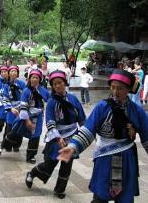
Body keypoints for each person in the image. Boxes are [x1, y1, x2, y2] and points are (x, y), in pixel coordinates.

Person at [58, 69, 148, 203]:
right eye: (113, 88)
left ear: (129, 89)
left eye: (120, 88)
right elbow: (88, 130)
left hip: (127, 159)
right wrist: (72, 146)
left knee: (125, 198)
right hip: (105, 159)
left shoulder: (137, 111)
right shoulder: (102, 107)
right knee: (100, 196)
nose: (115, 92)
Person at [25, 70, 86, 199]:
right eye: (55, 84)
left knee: (66, 165)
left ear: (65, 83)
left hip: (72, 138)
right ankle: (32, 173)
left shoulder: (73, 98)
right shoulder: (52, 102)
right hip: (56, 138)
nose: (58, 86)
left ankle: (59, 190)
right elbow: (50, 122)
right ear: (52, 86)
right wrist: (58, 138)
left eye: (60, 83)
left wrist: (87, 132)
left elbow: (81, 117)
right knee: (50, 164)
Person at [20, 69, 50, 163]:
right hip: (27, 116)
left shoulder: (43, 91)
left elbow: (50, 101)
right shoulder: (26, 91)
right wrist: (27, 120)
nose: (34, 79)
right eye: (33, 77)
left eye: (36, 77)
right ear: (29, 79)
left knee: (36, 135)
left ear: (40, 79)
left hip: (39, 117)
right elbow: (23, 106)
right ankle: (11, 144)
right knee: (18, 132)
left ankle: (31, 155)